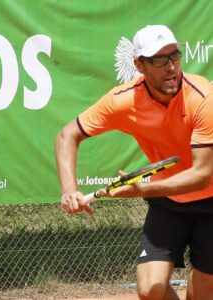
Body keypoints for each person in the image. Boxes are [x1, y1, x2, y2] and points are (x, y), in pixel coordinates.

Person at [55, 24, 213, 300]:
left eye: (174, 56)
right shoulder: (123, 100)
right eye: (159, 60)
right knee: (150, 291)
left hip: (211, 199)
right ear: (139, 65)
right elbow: (67, 135)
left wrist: (142, 190)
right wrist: (69, 189)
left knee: (203, 292)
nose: (171, 67)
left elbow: (201, 175)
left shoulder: (203, 98)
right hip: (168, 201)